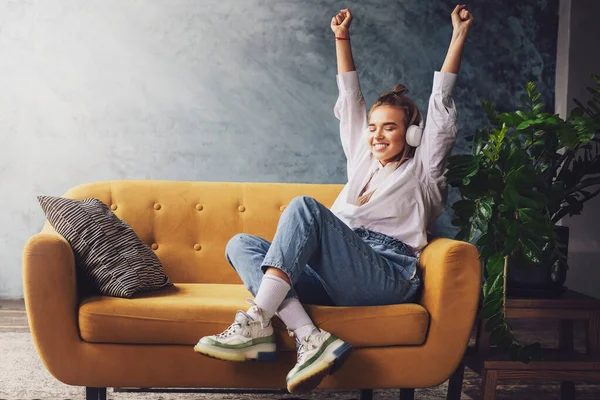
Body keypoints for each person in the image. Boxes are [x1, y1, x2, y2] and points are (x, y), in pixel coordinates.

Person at [194, 4, 473, 394]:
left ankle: (257, 318)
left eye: (389, 128)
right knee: (241, 244)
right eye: (373, 128)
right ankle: (310, 336)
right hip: (338, 274)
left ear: (412, 134)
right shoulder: (363, 162)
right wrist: (341, 39)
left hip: (386, 276)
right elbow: (351, 101)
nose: (376, 135)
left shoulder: (424, 171)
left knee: (305, 207)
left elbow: (441, 109)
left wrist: (458, 35)